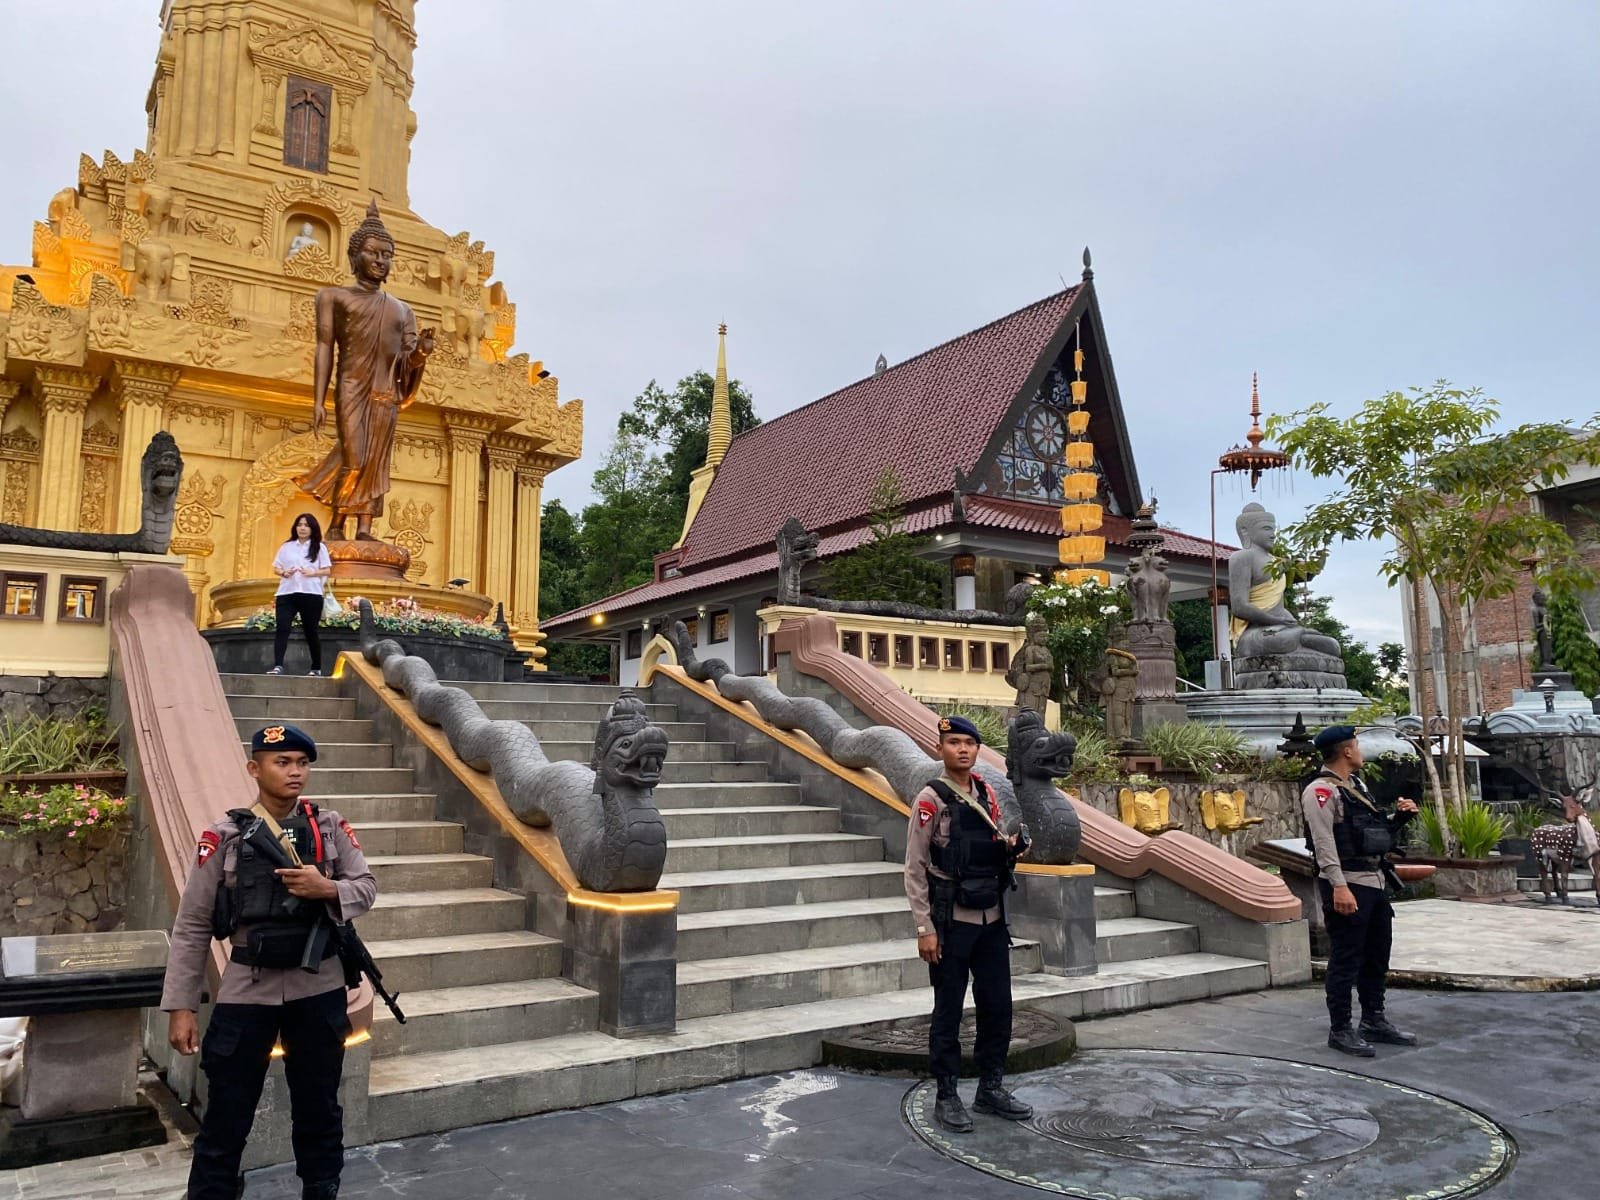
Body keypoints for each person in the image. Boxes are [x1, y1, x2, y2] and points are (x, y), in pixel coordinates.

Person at [161, 724, 375, 1200]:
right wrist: (181, 1006)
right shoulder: (224, 837)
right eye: (283, 763)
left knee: (319, 1112)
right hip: (246, 991)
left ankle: (321, 1191)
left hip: (317, 988)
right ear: (254, 769)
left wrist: (329, 889)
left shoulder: (331, 828)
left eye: (302, 763)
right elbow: (193, 924)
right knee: (227, 1115)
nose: (295, 772)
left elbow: (367, 888)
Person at [905, 715, 1031, 1133]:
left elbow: (991, 847)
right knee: (948, 1012)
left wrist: (1012, 848)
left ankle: (990, 1087)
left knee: (998, 1006)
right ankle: (947, 1094)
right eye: (954, 742)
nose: (962, 749)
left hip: (992, 920)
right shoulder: (930, 800)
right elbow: (915, 868)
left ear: (978, 750)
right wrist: (925, 929)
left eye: (969, 743)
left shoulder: (987, 795)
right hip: (950, 923)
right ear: (940, 748)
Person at [297, 200, 435, 542]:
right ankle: (335, 524)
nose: (380, 260)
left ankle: (364, 528)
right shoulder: (332, 297)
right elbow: (325, 346)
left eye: (387, 255)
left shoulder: (402, 310)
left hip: (385, 391)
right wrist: (319, 401)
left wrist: (421, 352)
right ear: (354, 255)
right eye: (373, 253)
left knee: (377, 461)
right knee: (355, 456)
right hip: (351, 385)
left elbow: (407, 361)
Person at [1301, 724, 1419, 1057]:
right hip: (1348, 885)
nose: (1360, 750)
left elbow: (1371, 834)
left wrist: (1399, 819)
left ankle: (1373, 1020)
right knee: (1346, 959)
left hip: (1373, 882)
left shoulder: (1356, 786)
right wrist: (1338, 885)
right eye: (1356, 744)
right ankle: (1340, 1029)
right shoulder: (1320, 791)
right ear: (1346, 751)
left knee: (1376, 955)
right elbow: (1324, 844)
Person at [270, 513, 333, 677]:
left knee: (311, 631)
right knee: (282, 628)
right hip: (287, 592)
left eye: (306, 525)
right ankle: (277, 665)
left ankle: (316, 667)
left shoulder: (319, 547)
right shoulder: (287, 546)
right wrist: (284, 572)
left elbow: (327, 569)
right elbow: (276, 567)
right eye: (299, 525)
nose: (302, 528)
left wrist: (312, 572)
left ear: (312, 529)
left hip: (310, 593)